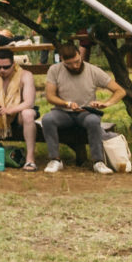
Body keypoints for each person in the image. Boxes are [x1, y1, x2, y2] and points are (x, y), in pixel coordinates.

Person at [42, 43, 118, 173]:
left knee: (93, 121)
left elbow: (119, 90)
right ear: (62, 60)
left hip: (86, 112)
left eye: (77, 61)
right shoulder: (55, 70)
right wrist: (67, 103)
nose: (75, 66)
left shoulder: (93, 70)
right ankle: (55, 159)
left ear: (80, 55)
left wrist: (107, 103)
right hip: (63, 112)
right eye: (69, 64)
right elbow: (50, 96)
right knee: (48, 119)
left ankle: (98, 161)